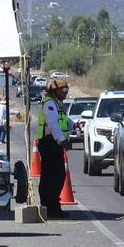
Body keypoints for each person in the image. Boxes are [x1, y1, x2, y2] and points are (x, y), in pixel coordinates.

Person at [37, 78, 71, 219]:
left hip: (53, 142)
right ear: (55, 90)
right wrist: (62, 141)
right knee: (55, 176)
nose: (66, 93)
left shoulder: (57, 103)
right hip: (50, 143)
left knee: (50, 176)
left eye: (67, 90)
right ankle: (51, 207)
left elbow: (63, 120)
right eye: (63, 90)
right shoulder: (50, 103)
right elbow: (52, 124)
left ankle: (50, 207)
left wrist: (74, 125)